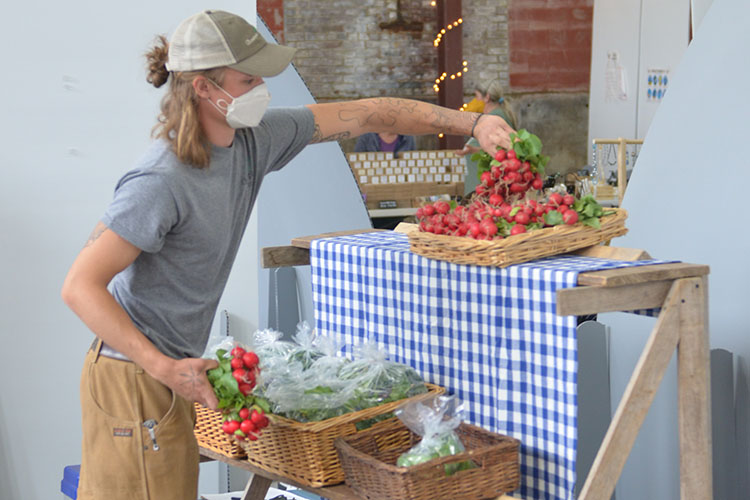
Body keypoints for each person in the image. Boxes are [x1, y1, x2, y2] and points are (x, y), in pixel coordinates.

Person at [60, 9, 514, 500]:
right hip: (131, 373)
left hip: (169, 370)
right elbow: (79, 286)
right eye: (247, 78)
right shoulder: (160, 181)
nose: (262, 89)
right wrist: (160, 365)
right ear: (203, 88)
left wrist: (473, 124)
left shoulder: (254, 141)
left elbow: (367, 112)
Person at [455, 79, 518, 196]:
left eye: (476, 96)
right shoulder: (493, 116)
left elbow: (501, 151)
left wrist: (474, 150)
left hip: (489, 187)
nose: (474, 100)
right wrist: (473, 150)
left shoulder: (496, 117)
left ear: (487, 97)